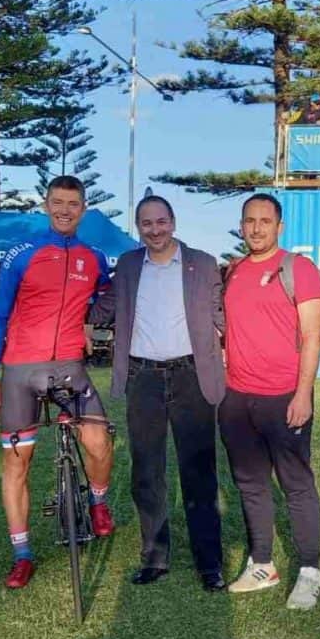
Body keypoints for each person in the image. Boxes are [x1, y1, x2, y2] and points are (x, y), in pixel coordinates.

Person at [0, 175, 115, 590]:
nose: (64, 210)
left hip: (70, 367)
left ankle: (97, 501)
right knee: (16, 464)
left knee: (98, 441)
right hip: (21, 370)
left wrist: (91, 323)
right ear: (46, 205)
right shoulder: (22, 254)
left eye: (73, 204)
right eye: (58, 202)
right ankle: (22, 554)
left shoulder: (94, 258)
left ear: (83, 210)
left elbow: (109, 297)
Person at [89, 196, 226, 592]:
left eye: (161, 221)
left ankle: (209, 563)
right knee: (147, 472)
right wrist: (71, 313)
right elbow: (103, 308)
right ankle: (154, 557)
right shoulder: (128, 265)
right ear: (138, 227)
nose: (155, 230)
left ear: (173, 222)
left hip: (191, 376)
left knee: (198, 472)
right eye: (146, 223)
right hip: (143, 378)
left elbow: (223, 316)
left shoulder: (203, 264)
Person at [220, 193, 320, 610]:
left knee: (296, 485)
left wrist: (303, 394)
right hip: (237, 399)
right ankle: (262, 564)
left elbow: (312, 336)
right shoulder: (233, 272)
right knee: (250, 484)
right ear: (241, 226)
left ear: (279, 227)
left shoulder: (298, 269)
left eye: (265, 221)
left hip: (284, 397)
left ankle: (310, 570)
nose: (257, 228)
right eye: (250, 221)